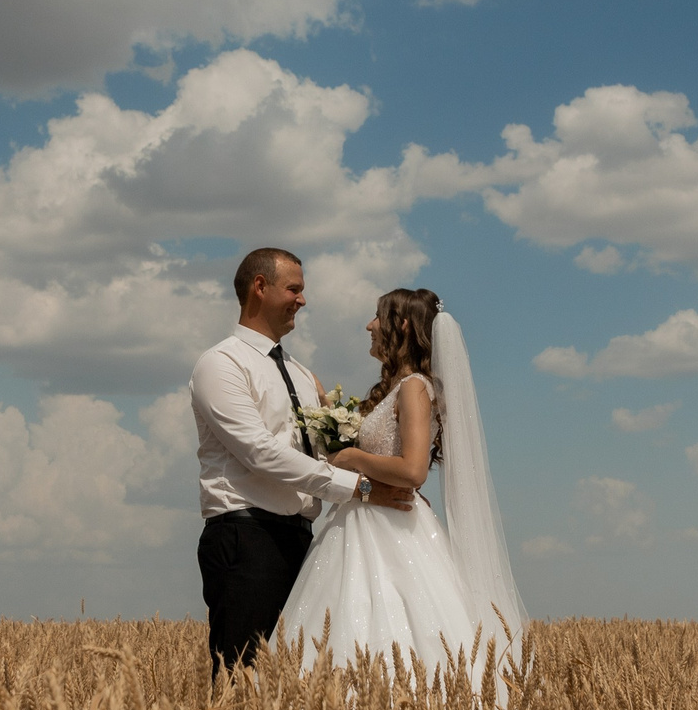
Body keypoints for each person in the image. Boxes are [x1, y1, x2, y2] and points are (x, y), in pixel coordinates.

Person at [279, 287, 528, 673]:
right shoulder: (397, 388)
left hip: (388, 524)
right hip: (363, 514)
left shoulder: (414, 388)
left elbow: (413, 470)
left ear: (404, 325)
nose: (370, 325)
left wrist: (352, 457)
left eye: (378, 317)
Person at [190, 247, 414, 676]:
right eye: (294, 289)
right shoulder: (221, 364)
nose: (303, 300)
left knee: (298, 677)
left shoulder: (300, 373)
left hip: (305, 540)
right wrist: (361, 488)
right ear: (260, 287)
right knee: (243, 676)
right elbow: (260, 453)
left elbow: (323, 450)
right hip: (247, 537)